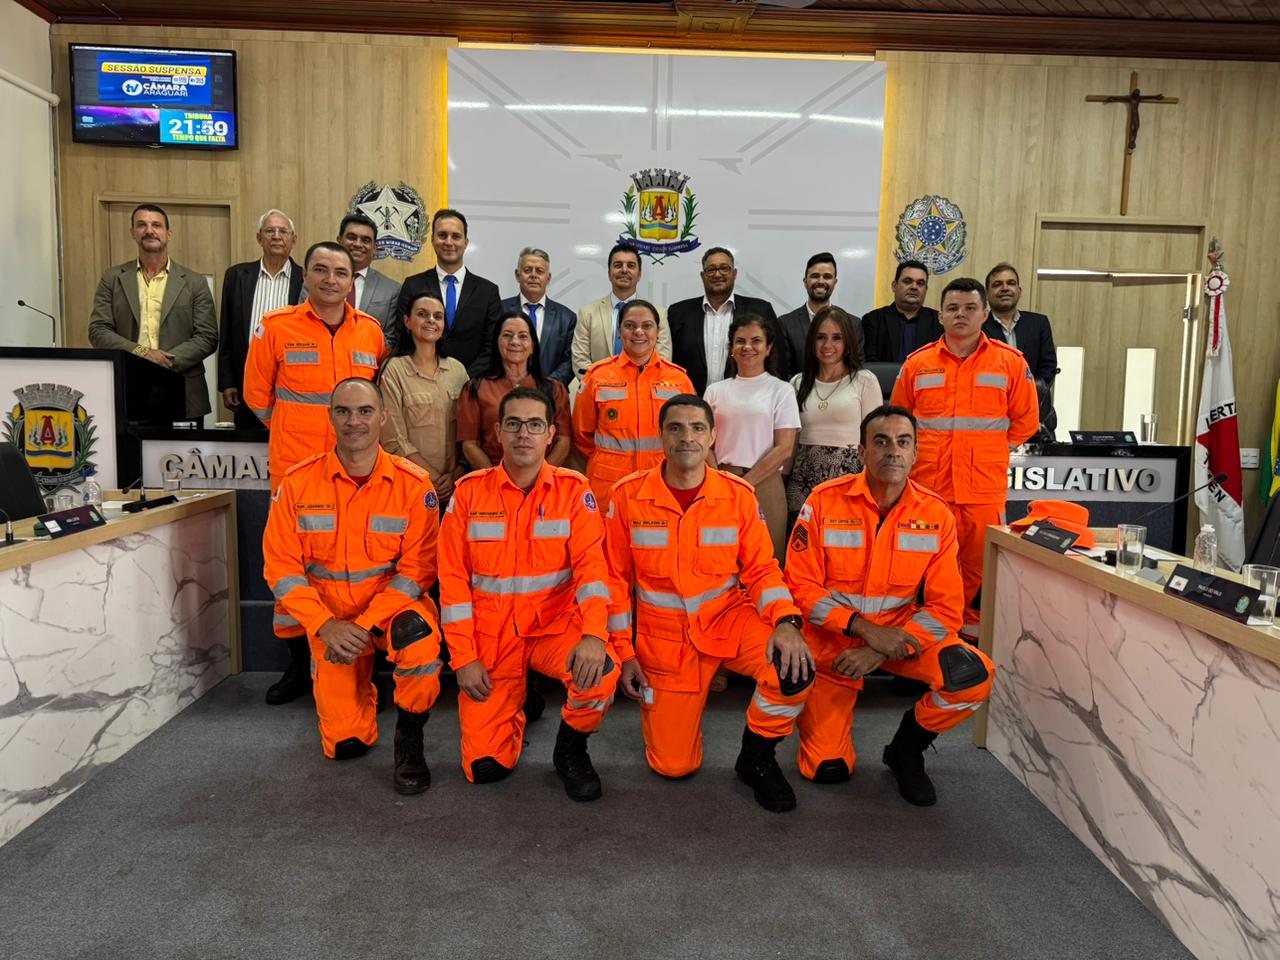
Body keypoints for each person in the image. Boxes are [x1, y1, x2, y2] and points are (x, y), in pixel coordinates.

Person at [604, 394, 815, 812]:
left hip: (728, 619)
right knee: (673, 765)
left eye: (697, 428)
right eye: (676, 428)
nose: (687, 437)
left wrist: (786, 622)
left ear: (713, 436)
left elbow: (761, 570)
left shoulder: (737, 495)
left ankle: (756, 758)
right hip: (665, 640)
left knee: (793, 669)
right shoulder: (627, 496)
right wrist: (624, 653)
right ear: (660, 436)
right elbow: (612, 581)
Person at [784, 404, 995, 806]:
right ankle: (820, 725)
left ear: (916, 453)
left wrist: (879, 651)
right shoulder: (825, 501)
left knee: (973, 675)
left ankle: (906, 750)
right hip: (832, 645)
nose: (892, 451)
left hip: (899, 642)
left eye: (903, 442)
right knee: (827, 771)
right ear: (861, 452)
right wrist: (863, 630)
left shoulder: (936, 514)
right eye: (880, 442)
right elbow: (800, 587)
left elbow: (946, 609)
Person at [439, 386, 624, 800]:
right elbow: (452, 581)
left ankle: (570, 750)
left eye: (534, 425)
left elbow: (593, 570)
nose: (524, 433)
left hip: (554, 628)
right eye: (514, 424)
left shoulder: (574, 491)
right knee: (484, 769)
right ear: (498, 433)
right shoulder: (469, 493)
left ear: (550, 434)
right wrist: (464, 659)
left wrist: (595, 635)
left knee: (601, 674)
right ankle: (517, 701)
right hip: (491, 639)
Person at [262, 378, 442, 795]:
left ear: (382, 417)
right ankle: (362, 691)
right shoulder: (298, 483)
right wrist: (325, 625)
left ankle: (410, 739)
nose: (353, 421)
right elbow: (280, 567)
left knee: (418, 642)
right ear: (330, 417)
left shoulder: (414, 486)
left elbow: (418, 571)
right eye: (342, 411)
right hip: (331, 622)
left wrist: (366, 624)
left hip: (391, 614)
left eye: (364, 411)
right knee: (346, 745)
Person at [243, 240, 389, 705]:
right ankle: (295, 667)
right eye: (321, 270)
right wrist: (295, 433)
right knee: (293, 572)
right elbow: (256, 396)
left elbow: (374, 402)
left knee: (359, 566)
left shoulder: (371, 332)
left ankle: (362, 661)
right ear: (304, 276)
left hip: (361, 472)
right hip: (296, 473)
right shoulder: (277, 327)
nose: (331, 280)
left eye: (341, 272)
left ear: (352, 280)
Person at [890, 276, 1039, 640]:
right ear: (940, 316)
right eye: (953, 308)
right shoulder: (917, 365)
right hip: (928, 490)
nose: (961, 314)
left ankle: (961, 656)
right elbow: (897, 421)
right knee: (922, 573)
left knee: (975, 577)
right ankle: (922, 653)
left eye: (970, 308)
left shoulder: (1010, 363)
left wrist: (990, 452)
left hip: (982, 492)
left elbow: (1027, 421)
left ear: (985, 314)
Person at [88, 203, 218, 421]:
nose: (149, 230)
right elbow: (98, 331)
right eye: (142, 225)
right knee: (129, 454)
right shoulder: (112, 278)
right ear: (133, 233)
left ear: (168, 234)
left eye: (156, 225)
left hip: (182, 386)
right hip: (127, 386)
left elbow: (207, 337)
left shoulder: (194, 282)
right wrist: (142, 353)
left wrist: (162, 362)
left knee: (182, 455)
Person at [573, 300, 694, 507]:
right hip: (608, 486)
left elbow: (688, 434)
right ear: (619, 332)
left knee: (657, 538)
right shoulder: (597, 376)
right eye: (629, 325)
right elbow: (582, 434)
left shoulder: (679, 380)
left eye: (647, 326)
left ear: (658, 332)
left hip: (662, 482)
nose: (638, 332)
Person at [702, 315, 800, 562]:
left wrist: (747, 484)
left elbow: (785, 448)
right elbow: (703, 443)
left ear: (768, 348)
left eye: (756, 341)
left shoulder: (782, 390)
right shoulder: (715, 390)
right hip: (721, 480)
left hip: (765, 483)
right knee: (721, 559)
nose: (747, 347)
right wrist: (723, 479)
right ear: (731, 349)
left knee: (767, 560)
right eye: (740, 341)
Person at [786, 306, 883, 516]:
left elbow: (875, 438)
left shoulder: (864, 381)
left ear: (848, 342)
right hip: (801, 482)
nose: (828, 345)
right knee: (803, 545)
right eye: (821, 337)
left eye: (836, 338)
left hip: (849, 478)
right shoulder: (797, 382)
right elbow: (790, 442)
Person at [217, 209, 305, 430]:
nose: (277, 236)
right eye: (270, 230)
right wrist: (227, 382)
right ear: (259, 237)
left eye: (283, 231)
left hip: (292, 384)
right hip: (246, 382)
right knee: (249, 451)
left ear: (293, 240)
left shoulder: (306, 279)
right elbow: (227, 331)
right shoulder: (237, 276)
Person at [380, 293, 469, 504]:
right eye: (422, 314)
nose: (431, 320)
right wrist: (433, 478)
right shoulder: (394, 370)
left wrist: (456, 475)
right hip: (409, 484)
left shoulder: (457, 370)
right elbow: (393, 440)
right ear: (407, 322)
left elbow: (469, 432)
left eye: (438, 316)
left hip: (455, 487)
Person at [457, 311, 571, 471]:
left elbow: (563, 441)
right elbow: (470, 444)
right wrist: (495, 480)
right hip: (491, 481)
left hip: (542, 484)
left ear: (532, 346)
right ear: (497, 343)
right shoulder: (474, 388)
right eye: (507, 335)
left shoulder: (555, 390)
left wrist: (538, 479)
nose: (514, 342)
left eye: (523, 336)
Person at [396, 208, 502, 376]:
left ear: (466, 242)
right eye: (442, 235)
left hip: (472, 387)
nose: (449, 242)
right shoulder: (413, 285)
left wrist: (464, 381)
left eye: (456, 236)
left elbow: (492, 347)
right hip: (421, 383)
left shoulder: (488, 292)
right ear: (432, 240)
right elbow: (401, 338)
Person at [669, 247, 779, 395]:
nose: (717, 274)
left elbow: (777, 361)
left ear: (734, 274)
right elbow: (669, 364)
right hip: (691, 405)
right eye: (711, 269)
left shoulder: (760, 310)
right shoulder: (678, 313)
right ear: (702, 276)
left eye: (724, 268)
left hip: (747, 402)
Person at [572, 242, 672, 380]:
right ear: (609, 273)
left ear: (639, 275)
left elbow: (663, 358)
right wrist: (605, 386)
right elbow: (580, 360)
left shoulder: (658, 313)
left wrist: (637, 387)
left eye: (630, 266)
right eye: (618, 265)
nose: (624, 270)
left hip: (644, 393)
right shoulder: (588, 313)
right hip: (600, 393)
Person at [983, 262, 1059, 434]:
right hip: (991, 418)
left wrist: (1024, 397)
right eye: (997, 284)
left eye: (1011, 283)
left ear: (1019, 291)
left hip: (1034, 415)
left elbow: (1048, 368)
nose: (1005, 288)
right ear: (987, 294)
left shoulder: (1039, 323)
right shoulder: (977, 326)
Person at [775, 252, 865, 381]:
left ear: (835, 282)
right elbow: (783, 373)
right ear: (805, 282)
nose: (821, 281)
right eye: (815, 276)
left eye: (827, 277)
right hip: (799, 397)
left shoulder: (853, 324)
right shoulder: (785, 323)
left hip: (842, 398)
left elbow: (857, 371)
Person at [500, 247, 576, 386]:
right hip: (506, 392)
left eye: (539, 271)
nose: (533, 275)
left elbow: (569, 361)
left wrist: (546, 386)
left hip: (549, 396)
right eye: (527, 270)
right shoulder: (500, 310)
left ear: (548, 277)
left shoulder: (566, 318)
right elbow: (492, 352)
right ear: (517, 275)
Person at [336, 213, 402, 352]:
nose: (358, 244)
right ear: (339, 240)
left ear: (374, 247)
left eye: (366, 240)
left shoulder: (391, 289)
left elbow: (390, 340)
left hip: (368, 368)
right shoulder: (317, 281)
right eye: (352, 237)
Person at [860, 260, 943, 363]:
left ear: (925, 289)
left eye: (920, 283)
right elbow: (870, 363)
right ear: (894, 286)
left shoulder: (939, 322)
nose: (914, 287)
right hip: (885, 379)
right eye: (908, 281)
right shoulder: (873, 320)